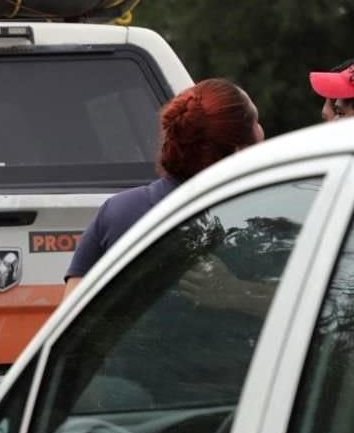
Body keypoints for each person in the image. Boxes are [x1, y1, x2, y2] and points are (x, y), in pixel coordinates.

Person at [63, 78, 264, 297]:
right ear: (238, 151)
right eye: (257, 121)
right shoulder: (254, 222)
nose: (262, 130)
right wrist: (238, 293)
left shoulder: (119, 212)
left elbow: (73, 308)